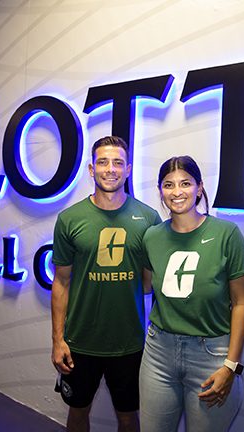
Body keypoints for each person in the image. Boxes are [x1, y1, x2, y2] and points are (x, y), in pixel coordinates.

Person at [51, 136, 162, 431]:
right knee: (77, 412)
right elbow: (61, 282)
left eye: (117, 163)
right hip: (80, 341)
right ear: (91, 169)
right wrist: (57, 339)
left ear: (127, 169)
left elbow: (149, 283)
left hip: (129, 343)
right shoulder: (69, 219)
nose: (109, 169)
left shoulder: (148, 218)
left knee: (128, 416)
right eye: (102, 162)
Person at [139, 156, 244, 432]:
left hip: (211, 355)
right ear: (160, 191)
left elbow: (241, 303)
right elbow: (145, 286)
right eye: (168, 185)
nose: (177, 192)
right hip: (158, 354)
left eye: (185, 183)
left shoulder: (227, 234)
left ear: (200, 188)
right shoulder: (152, 237)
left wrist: (231, 365)